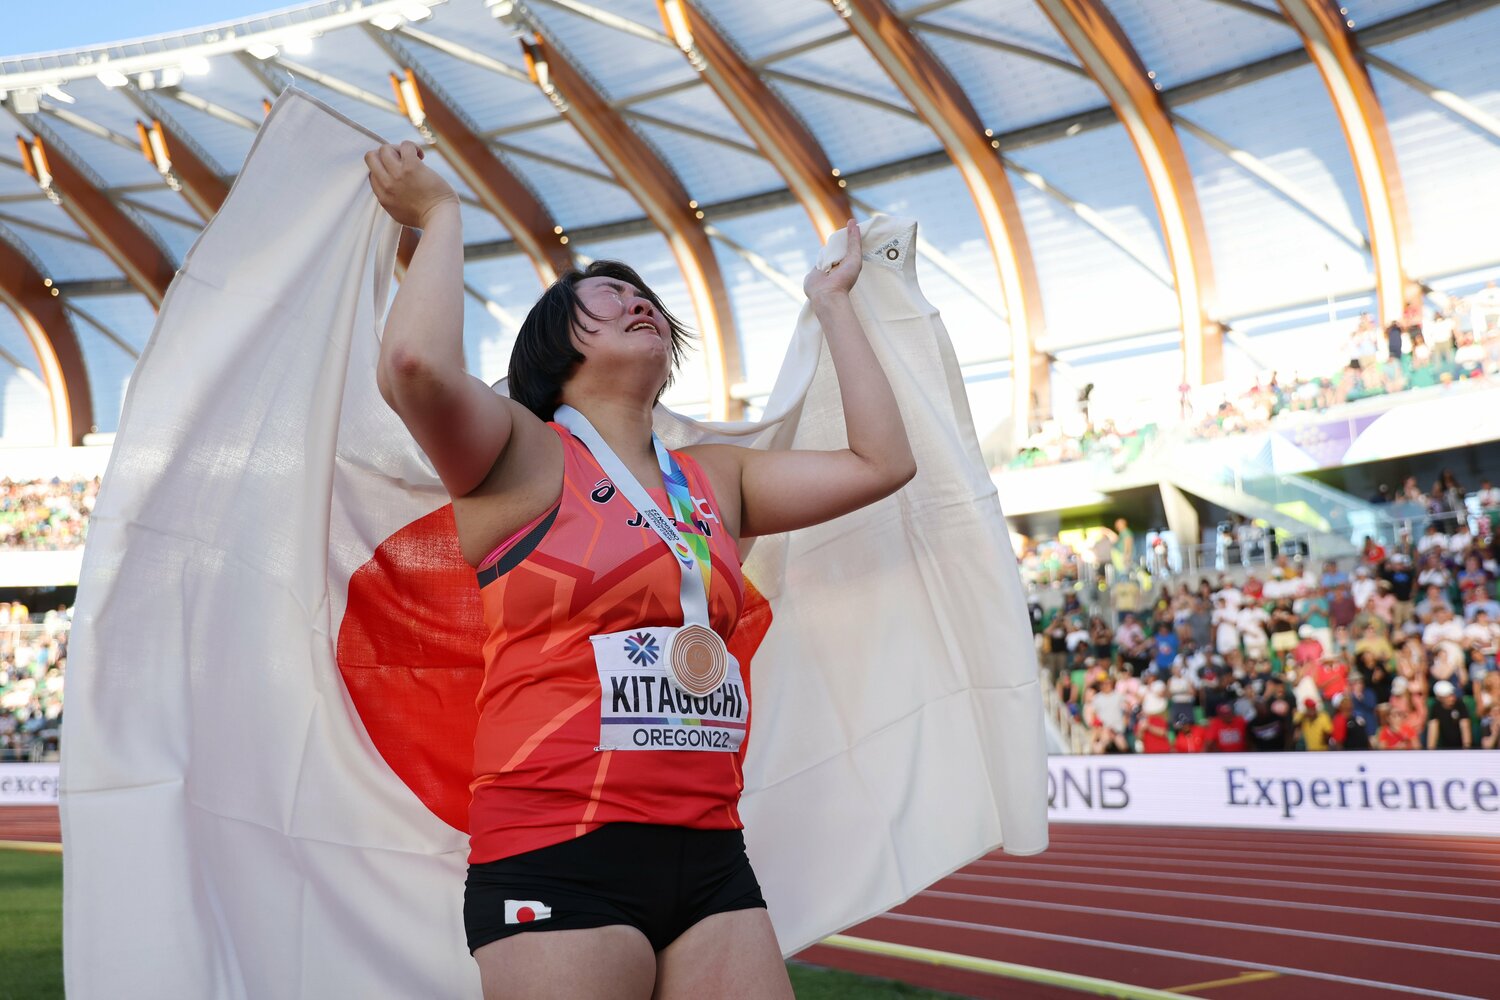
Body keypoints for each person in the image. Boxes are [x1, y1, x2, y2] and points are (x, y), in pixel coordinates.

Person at [366, 141, 915, 998]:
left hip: (710, 855)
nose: (638, 302)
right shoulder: (516, 454)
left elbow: (881, 462)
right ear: (556, 349)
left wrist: (831, 303)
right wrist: (440, 216)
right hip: (555, 851)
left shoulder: (717, 482)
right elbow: (413, 368)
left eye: (646, 296)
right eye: (609, 297)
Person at [1427, 681, 1472, 750]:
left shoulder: (1460, 705)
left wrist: (1466, 750)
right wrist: (1430, 751)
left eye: (1452, 694)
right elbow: (1433, 728)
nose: (1452, 698)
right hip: (1445, 749)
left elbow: (1465, 727)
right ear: (1440, 698)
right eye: (1447, 696)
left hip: (1461, 748)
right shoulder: (1436, 708)